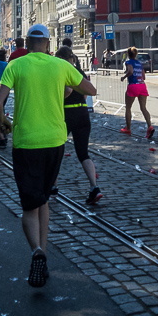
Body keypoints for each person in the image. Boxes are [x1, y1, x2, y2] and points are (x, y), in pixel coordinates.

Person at [0, 24, 97, 288]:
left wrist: (3, 122)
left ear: (26, 44)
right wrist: (66, 87)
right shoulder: (60, 66)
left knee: (29, 203)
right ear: (49, 45)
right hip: (54, 141)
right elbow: (91, 90)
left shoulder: (16, 65)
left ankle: (37, 252)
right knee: (44, 198)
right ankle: (45, 254)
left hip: (26, 141)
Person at [53, 45, 101, 204]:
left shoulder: (63, 72)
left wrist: (59, 99)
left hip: (67, 114)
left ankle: (53, 185)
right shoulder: (80, 72)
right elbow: (89, 91)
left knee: (56, 149)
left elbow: (67, 90)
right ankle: (94, 187)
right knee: (83, 153)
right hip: (82, 113)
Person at [121, 46, 154, 139]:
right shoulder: (139, 63)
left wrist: (124, 77)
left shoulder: (128, 62)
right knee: (143, 108)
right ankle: (150, 126)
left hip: (133, 85)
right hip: (142, 85)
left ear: (128, 54)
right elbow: (144, 76)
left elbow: (130, 71)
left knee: (128, 108)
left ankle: (128, 128)